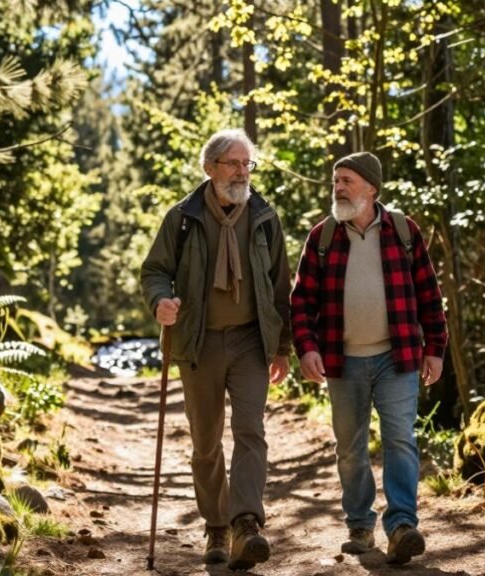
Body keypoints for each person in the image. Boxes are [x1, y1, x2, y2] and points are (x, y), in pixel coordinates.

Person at [140, 129, 292, 570]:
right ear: (210, 168)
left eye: (248, 164)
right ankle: (217, 526)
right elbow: (155, 270)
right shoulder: (184, 218)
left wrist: (281, 348)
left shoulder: (264, 216)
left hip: (250, 340)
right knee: (206, 443)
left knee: (250, 431)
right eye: (234, 164)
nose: (243, 172)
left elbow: (280, 287)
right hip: (198, 341)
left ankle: (246, 524)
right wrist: (160, 302)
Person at [290, 151, 448, 565]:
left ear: (372, 188)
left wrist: (435, 349)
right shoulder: (323, 237)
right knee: (350, 448)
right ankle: (360, 525)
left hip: (396, 359)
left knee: (400, 439)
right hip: (343, 363)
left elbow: (430, 296)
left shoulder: (402, 230)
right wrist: (306, 346)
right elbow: (301, 300)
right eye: (335, 181)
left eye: (347, 181)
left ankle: (401, 526)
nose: (338, 188)